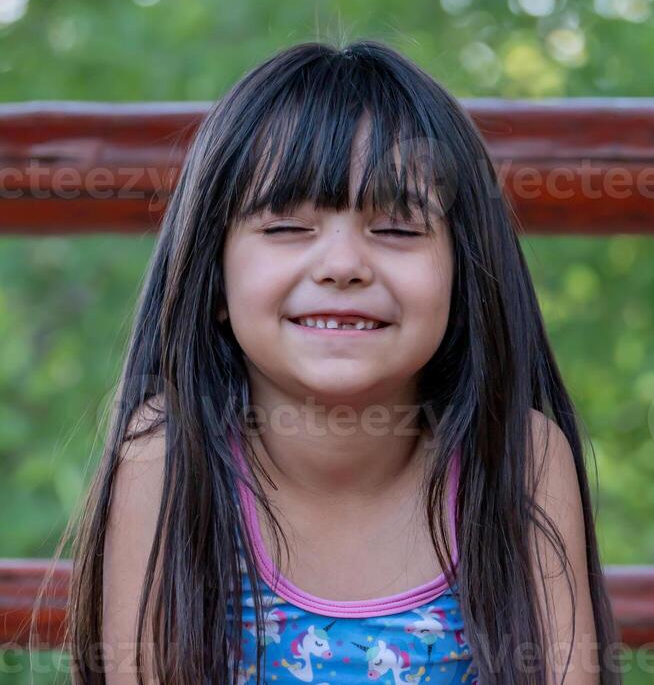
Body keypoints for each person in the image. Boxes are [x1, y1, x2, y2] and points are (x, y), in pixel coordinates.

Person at [56, 39, 620, 683]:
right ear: (214, 280)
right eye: (286, 228)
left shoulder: (519, 456)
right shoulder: (167, 455)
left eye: (399, 230)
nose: (344, 266)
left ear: (464, 279)